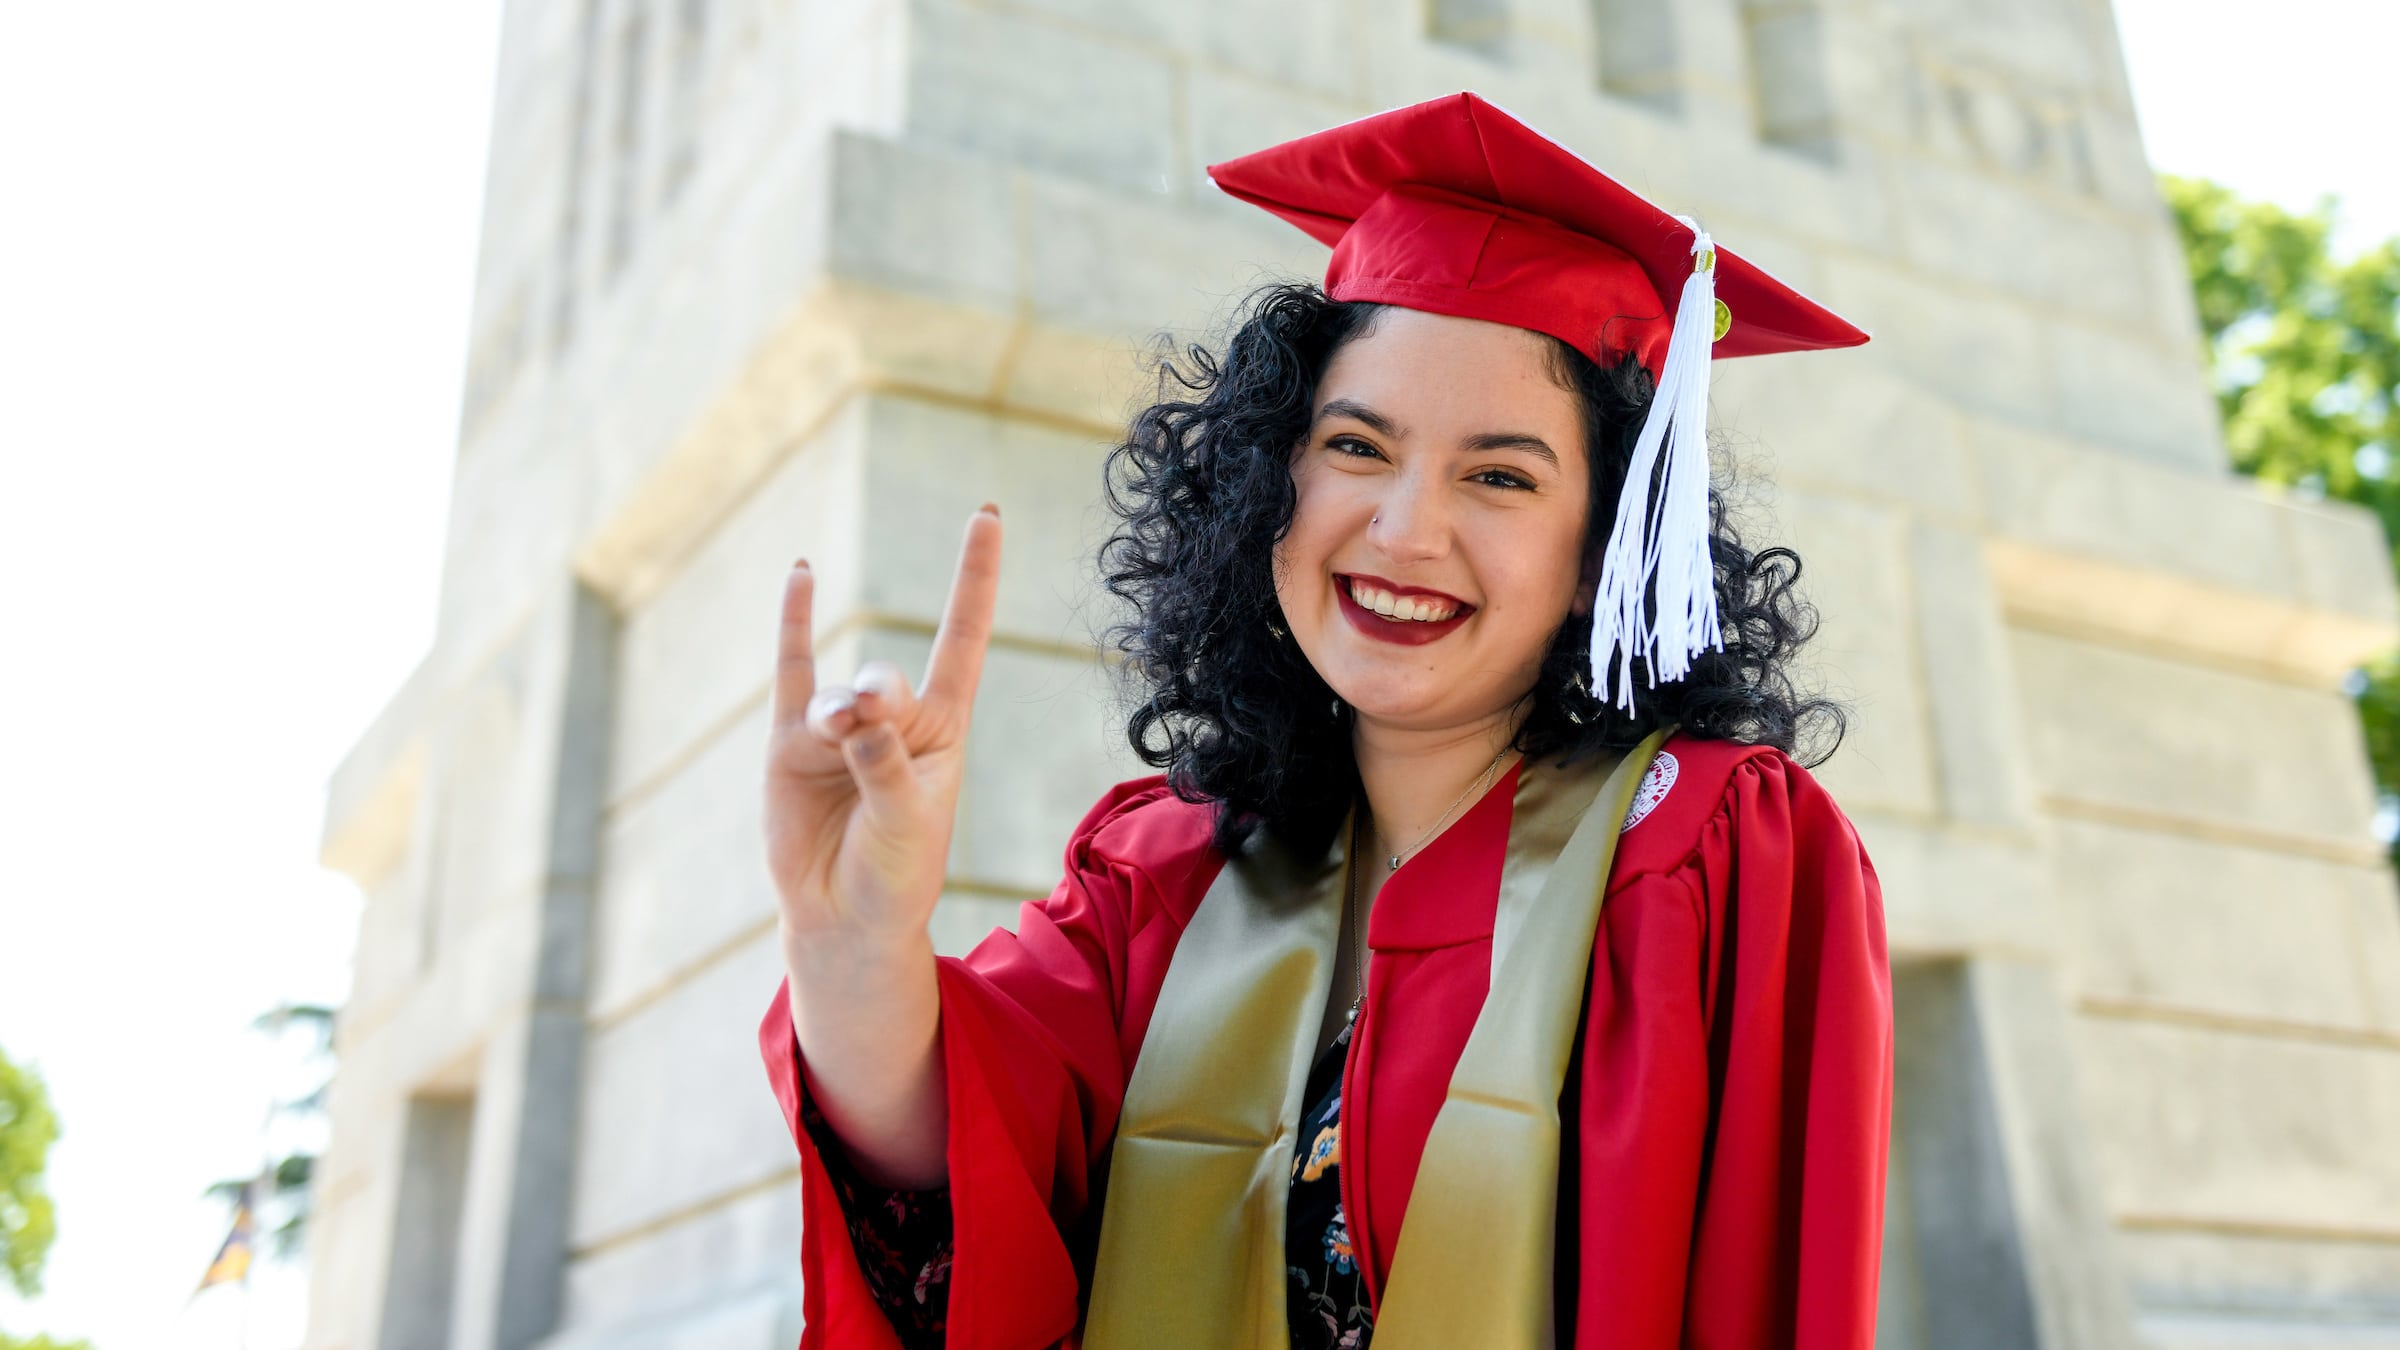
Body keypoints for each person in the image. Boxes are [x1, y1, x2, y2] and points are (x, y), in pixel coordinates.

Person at [757, 92, 1893, 1349]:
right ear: (1268, 484)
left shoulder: (1712, 853)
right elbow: (959, 1163)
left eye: (1501, 475)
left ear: (1607, 548)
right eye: (1356, 447)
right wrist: (852, 945)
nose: (1406, 530)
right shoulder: (1168, 876)